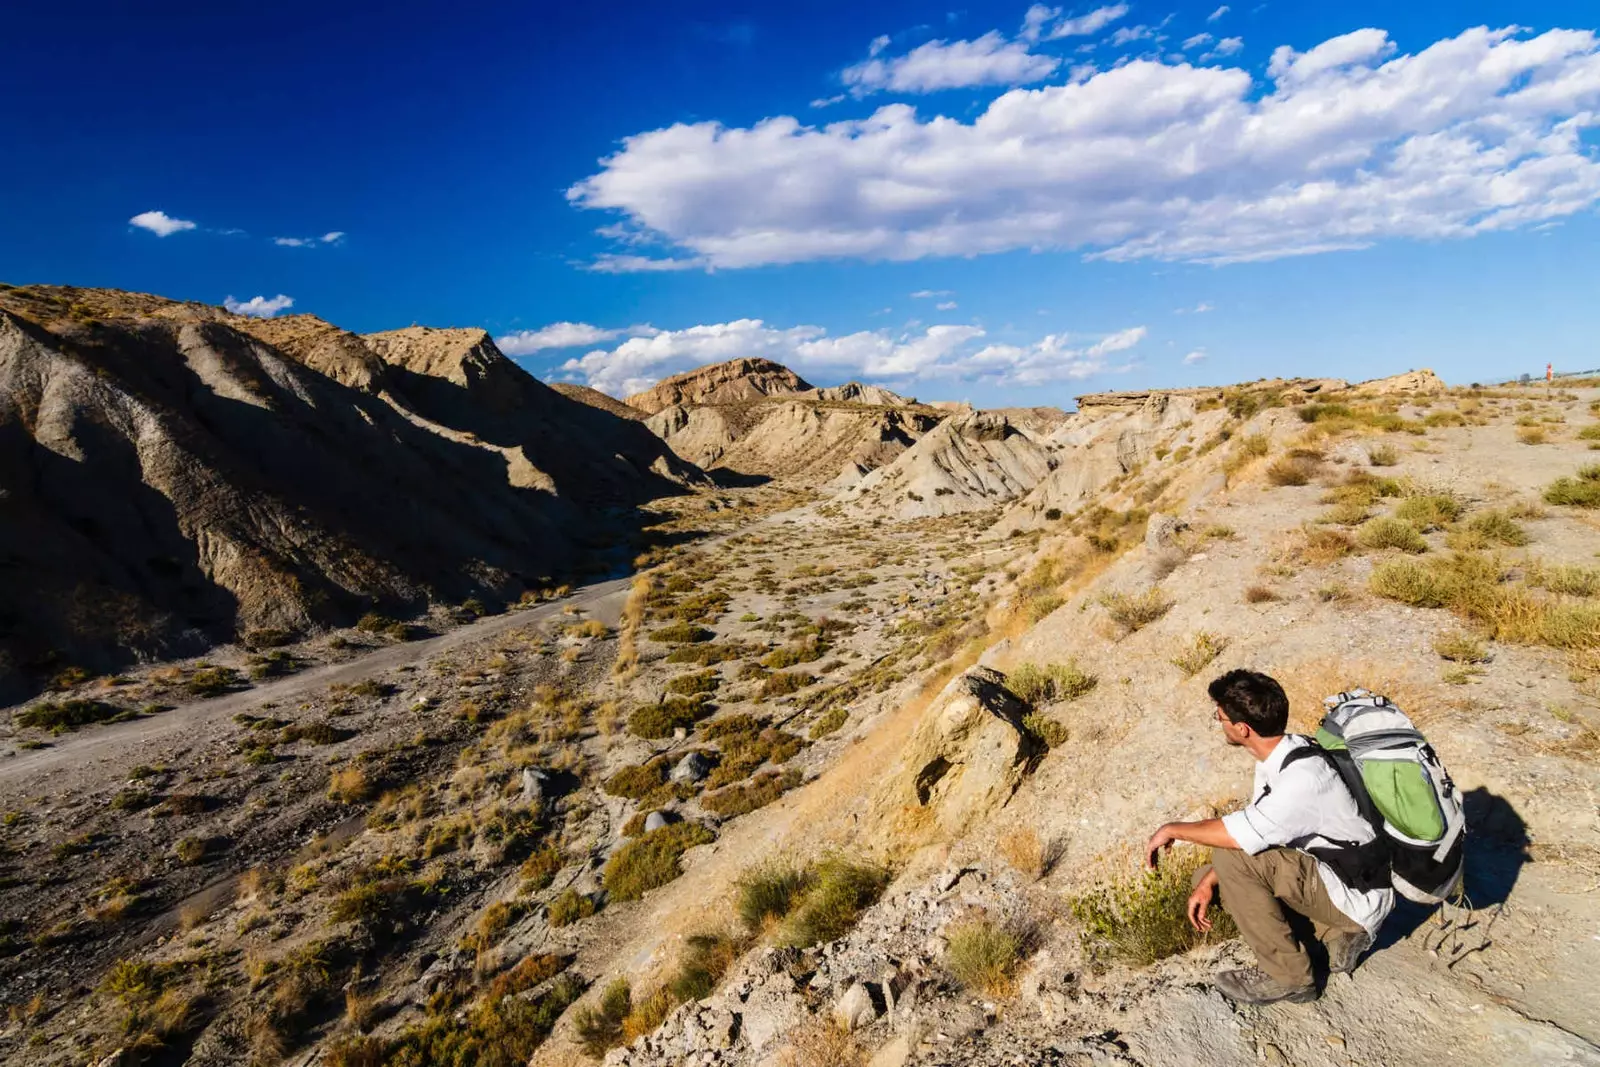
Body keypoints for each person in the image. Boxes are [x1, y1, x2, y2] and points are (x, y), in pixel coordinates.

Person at [1143, 669, 1394, 1005]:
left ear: (1242, 729)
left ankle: (1290, 977)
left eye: (1219, 718)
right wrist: (1208, 882)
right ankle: (1334, 937)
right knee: (1209, 877)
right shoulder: (1287, 753)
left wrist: (1172, 829)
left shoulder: (1300, 779)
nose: (1219, 723)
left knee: (1230, 860)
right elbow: (1263, 835)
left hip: (1356, 894)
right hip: (1341, 876)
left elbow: (1238, 840)